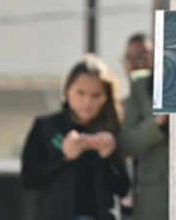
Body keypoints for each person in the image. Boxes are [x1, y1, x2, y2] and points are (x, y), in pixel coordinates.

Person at [21, 54, 130, 220]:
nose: (87, 102)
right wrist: (63, 157)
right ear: (67, 90)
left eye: (96, 95)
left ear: (106, 98)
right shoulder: (46, 126)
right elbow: (29, 180)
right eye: (81, 93)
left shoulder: (112, 130)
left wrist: (108, 157)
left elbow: (122, 188)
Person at [118, 33, 169, 220]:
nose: (133, 64)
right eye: (128, 59)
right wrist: (158, 123)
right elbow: (125, 142)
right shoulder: (137, 91)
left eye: (140, 57)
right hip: (151, 194)